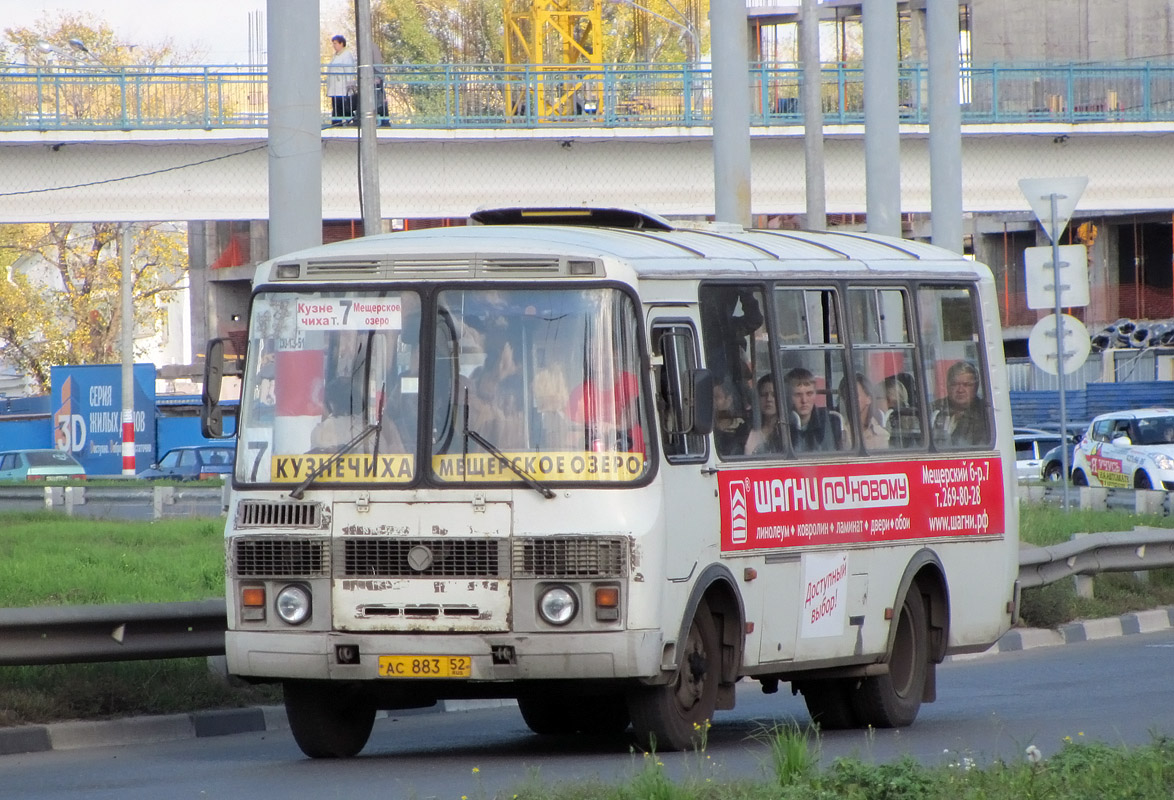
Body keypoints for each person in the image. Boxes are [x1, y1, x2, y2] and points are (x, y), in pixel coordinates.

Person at [930, 360, 989, 447]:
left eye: (967, 385)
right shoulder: (933, 408)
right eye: (955, 384)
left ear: (976, 387)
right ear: (947, 386)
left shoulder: (985, 414)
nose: (960, 390)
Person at [784, 367, 842, 453]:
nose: (804, 400)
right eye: (797, 394)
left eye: (809, 394)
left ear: (815, 394)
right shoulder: (780, 424)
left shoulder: (831, 422)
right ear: (788, 396)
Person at [840, 374, 889, 451]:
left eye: (855, 395)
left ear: (868, 399)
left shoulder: (881, 434)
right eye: (846, 396)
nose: (849, 400)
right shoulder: (839, 432)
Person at [744, 374, 783, 455]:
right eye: (764, 394)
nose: (769, 399)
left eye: (774, 395)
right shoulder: (744, 431)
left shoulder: (789, 432)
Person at [713, 378, 750, 456]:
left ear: (729, 400)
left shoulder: (743, 427)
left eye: (717, 397)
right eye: (711, 398)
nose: (713, 401)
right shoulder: (707, 427)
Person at [326, 34, 357, 125]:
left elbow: (349, 70)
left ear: (341, 43)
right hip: (335, 87)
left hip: (342, 87)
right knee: (337, 106)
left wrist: (349, 85)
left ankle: (347, 122)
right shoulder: (336, 55)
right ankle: (336, 123)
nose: (334, 46)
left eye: (335, 43)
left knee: (343, 106)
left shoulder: (346, 55)